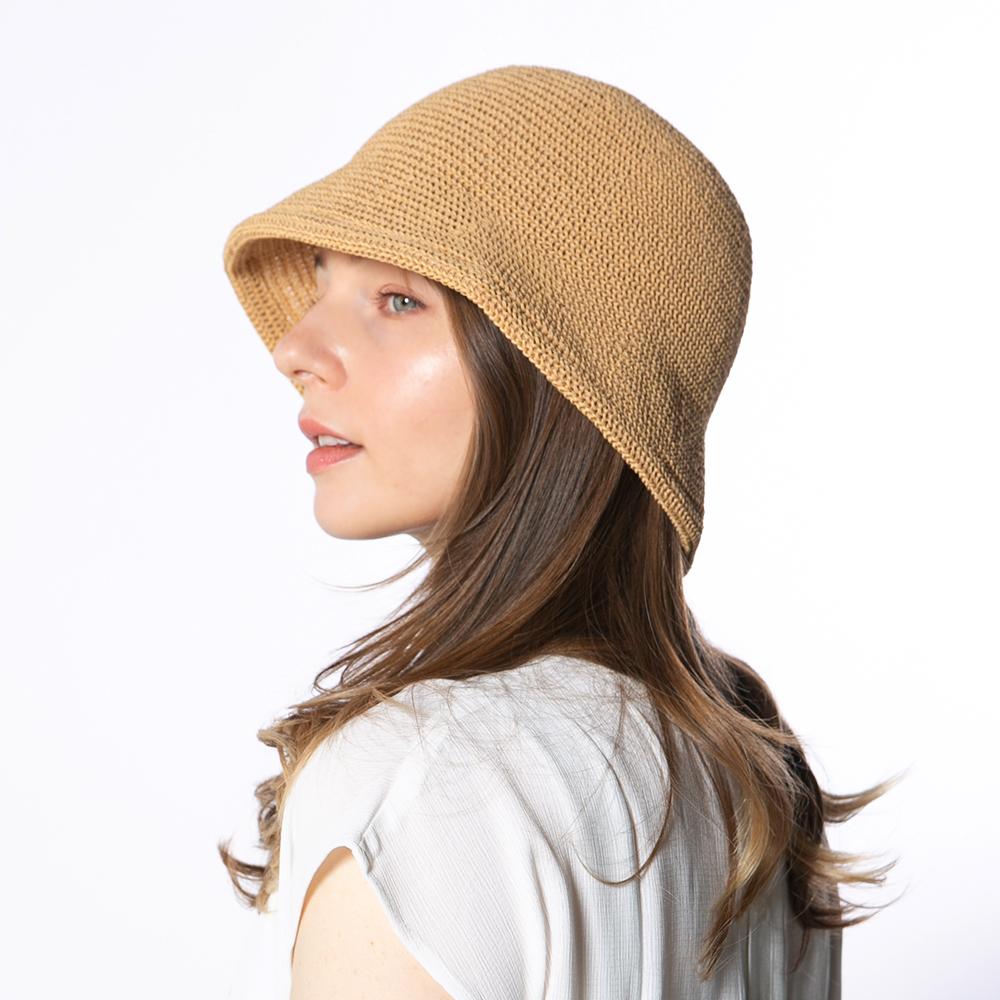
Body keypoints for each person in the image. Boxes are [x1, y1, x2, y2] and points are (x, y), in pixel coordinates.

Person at [217, 64, 900, 1000]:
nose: (294, 350)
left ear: (555, 382)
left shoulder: (415, 775)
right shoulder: (755, 777)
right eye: (324, 287)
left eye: (400, 301)